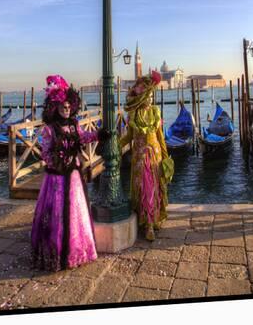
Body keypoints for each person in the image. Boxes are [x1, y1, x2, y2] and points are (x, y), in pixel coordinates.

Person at [30, 75, 107, 271]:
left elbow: (84, 138)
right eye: (62, 107)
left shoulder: (74, 125)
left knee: (76, 213)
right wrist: (59, 162)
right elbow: (45, 153)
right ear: (55, 107)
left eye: (68, 107)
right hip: (56, 180)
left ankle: (76, 252)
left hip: (73, 177)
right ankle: (57, 255)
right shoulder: (49, 130)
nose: (66, 109)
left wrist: (99, 134)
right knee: (57, 217)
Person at [119, 71, 174, 241]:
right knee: (144, 187)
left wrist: (165, 157)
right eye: (147, 96)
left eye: (151, 96)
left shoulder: (155, 113)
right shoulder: (133, 115)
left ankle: (154, 219)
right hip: (139, 157)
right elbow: (129, 137)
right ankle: (147, 223)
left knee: (154, 188)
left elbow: (160, 137)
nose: (150, 99)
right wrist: (116, 145)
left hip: (155, 155)